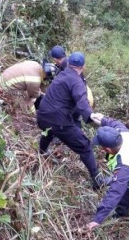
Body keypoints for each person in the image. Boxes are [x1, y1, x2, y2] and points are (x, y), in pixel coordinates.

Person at [36, 52, 108, 190]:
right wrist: (90, 115)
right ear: (84, 67)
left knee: (48, 132)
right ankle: (99, 181)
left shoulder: (63, 72)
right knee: (85, 146)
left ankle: (41, 152)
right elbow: (82, 100)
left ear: (68, 64)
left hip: (42, 115)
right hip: (58, 121)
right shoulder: (77, 81)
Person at [48, 45, 95, 128]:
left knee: (72, 119)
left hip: (78, 99)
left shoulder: (68, 68)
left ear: (55, 59)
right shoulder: (70, 63)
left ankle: (74, 136)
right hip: (81, 95)